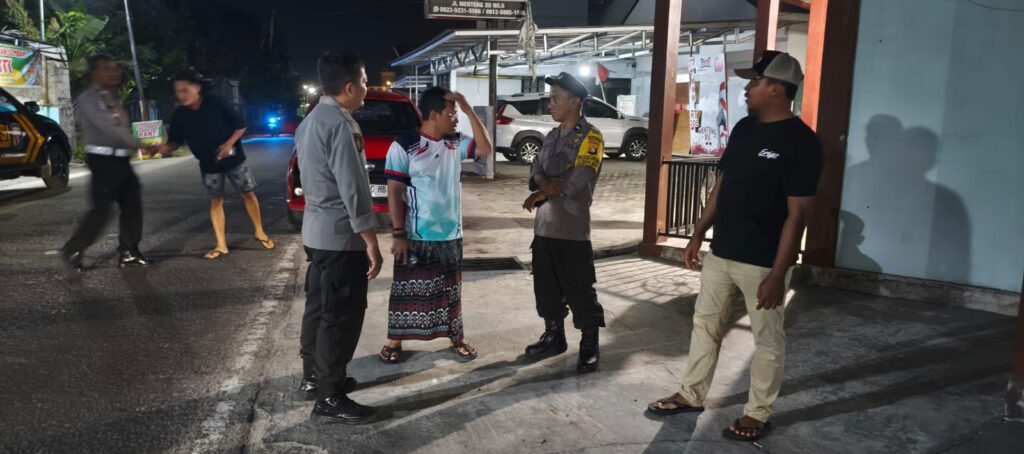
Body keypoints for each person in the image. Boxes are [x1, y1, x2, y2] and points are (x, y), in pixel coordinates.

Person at [645, 51, 822, 443]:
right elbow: (722, 186)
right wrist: (698, 233)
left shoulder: (802, 143)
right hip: (722, 252)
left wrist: (778, 273)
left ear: (776, 88)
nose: (747, 88)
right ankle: (691, 394)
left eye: (755, 81)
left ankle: (757, 413)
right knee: (705, 325)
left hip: (762, 262)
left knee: (767, 340)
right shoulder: (744, 128)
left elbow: (798, 215)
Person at [293, 51, 383, 424]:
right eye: (364, 81)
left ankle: (314, 377)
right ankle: (330, 396)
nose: (367, 87)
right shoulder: (342, 125)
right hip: (341, 236)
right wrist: (371, 240)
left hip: (316, 232)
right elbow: (353, 187)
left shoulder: (310, 120)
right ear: (348, 87)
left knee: (319, 307)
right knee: (340, 316)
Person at [378, 86, 493, 364]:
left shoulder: (454, 143)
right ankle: (395, 341)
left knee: (451, 292)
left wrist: (468, 108)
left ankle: (457, 337)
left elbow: (485, 148)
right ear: (433, 115)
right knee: (407, 292)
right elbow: (394, 191)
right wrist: (398, 233)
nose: (455, 119)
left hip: (451, 234)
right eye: (451, 114)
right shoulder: (404, 145)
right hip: (417, 234)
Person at [521, 72, 606, 374]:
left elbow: (576, 180)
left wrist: (540, 193)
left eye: (556, 98)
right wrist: (546, 182)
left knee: (580, 290)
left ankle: (589, 344)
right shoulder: (551, 136)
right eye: (550, 98)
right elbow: (535, 169)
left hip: (572, 230)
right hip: (544, 228)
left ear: (575, 102)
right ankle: (554, 336)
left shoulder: (591, 137)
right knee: (546, 288)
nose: (550, 104)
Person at [152, 70, 273, 260]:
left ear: (197, 88)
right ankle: (221, 245)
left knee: (247, 193)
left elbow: (240, 126)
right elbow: (174, 143)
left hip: (234, 159)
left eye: (185, 90)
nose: (181, 95)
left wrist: (228, 144)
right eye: (178, 91)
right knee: (216, 201)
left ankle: (259, 231)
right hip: (208, 164)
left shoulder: (216, 103)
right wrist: (158, 149)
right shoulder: (179, 116)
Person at [61, 54, 154, 271]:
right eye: (107, 69)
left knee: (132, 205)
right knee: (101, 209)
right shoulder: (90, 99)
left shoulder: (112, 96)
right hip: (103, 161)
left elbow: (120, 128)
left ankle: (129, 251)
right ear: (94, 73)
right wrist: (140, 144)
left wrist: (132, 146)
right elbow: (109, 128)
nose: (114, 73)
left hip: (121, 159)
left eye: (115, 68)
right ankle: (73, 249)